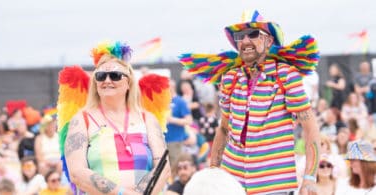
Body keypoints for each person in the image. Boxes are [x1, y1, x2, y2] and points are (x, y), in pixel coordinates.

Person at [179, 10, 321, 194]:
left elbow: (311, 128)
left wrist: (310, 177)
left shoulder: (286, 75)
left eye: (253, 34)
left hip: (273, 184)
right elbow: (223, 129)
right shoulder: (230, 78)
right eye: (240, 36)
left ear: (269, 41)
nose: (245, 41)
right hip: (231, 182)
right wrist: (214, 172)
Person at [64, 41, 170, 194]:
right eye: (100, 76)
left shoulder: (148, 119)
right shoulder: (81, 120)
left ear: (128, 82)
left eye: (115, 75)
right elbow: (77, 172)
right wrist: (121, 193)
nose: (107, 80)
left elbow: (163, 167)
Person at [166, 79, 193, 177]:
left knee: (176, 167)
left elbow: (189, 120)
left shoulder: (180, 101)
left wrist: (172, 120)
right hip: (162, 141)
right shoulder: (162, 101)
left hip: (175, 141)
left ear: (171, 87)